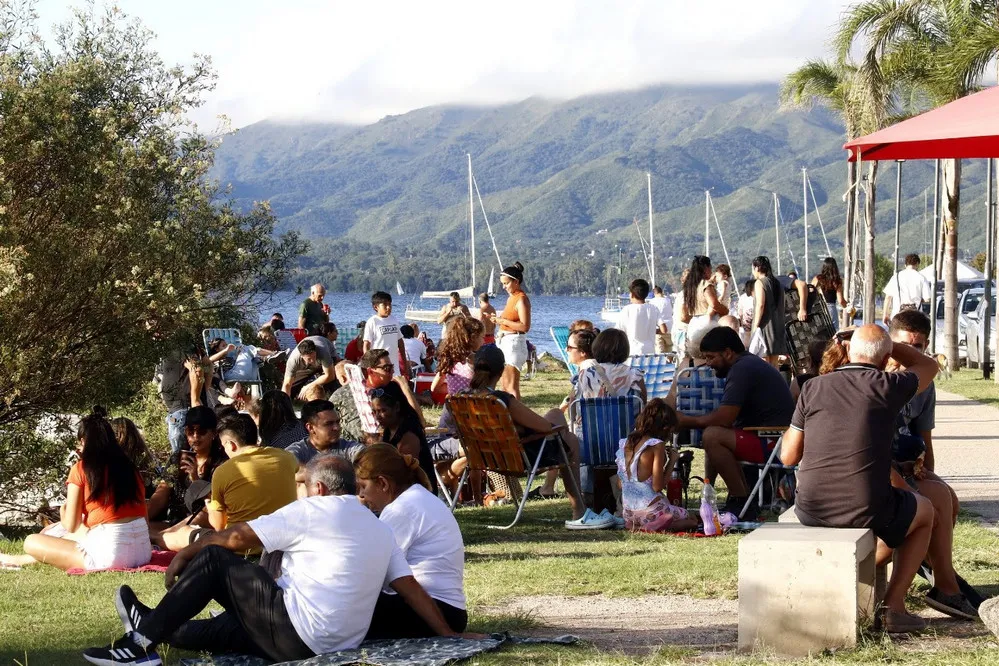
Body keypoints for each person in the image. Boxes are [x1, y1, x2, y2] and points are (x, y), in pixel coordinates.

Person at [83, 455, 464, 665]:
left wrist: (187, 550)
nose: (297, 491)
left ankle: (138, 646)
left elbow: (234, 537)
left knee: (215, 559)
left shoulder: (314, 510)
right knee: (225, 632)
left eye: (300, 484)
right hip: (328, 643)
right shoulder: (378, 526)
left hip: (299, 635)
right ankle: (152, 624)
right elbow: (408, 587)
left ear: (317, 488)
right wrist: (446, 634)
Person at [779, 325, 942, 632]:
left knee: (889, 523)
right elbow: (929, 365)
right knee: (924, 512)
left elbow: (788, 457)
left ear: (849, 352)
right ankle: (893, 607)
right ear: (884, 360)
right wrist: (890, 345)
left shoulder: (812, 387)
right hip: (865, 506)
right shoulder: (888, 385)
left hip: (811, 507)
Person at [886, 311, 977, 618]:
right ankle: (947, 586)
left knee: (947, 497)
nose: (913, 354)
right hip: (879, 469)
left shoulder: (923, 384)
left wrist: (930, 473)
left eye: (920, 347)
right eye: (907, 346)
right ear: (891, 344)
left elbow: (923, 438)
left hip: (902, 466)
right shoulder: (877, 377)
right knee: (935, 499)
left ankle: (938, 573)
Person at [0, 407, 151, 572]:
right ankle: (16, 560)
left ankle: (11, 560)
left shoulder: (81, 469)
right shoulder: (130, 468)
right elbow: (143, 518)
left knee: (32, 541)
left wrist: (65, 510)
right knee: (74, 538)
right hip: (143, 552)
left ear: (84, 441)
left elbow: (71, 525)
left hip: (111, 554)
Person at [455, 345, 591, 526]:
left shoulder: (461, 398)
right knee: (569, 439)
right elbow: (544, 427)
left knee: (556, 414)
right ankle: (579, 510)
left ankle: (575, 505)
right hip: (517, 459)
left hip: (484, 457)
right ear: (502, 370)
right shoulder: (500, 400)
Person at [676, 327, 794, 519]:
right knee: (713, 433)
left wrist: (686, 421)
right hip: (771, 439)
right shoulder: (746, 364)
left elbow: (725, 417)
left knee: (712, 436)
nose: (708, 364)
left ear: (728, 353)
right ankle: (734, 498)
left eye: (711, 357)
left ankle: (742, 502)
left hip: (775, 445)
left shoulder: (742, 369)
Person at [355, 444, 468, 639]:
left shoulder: (401, 510)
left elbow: (376, 574)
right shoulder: (418, 497)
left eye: (363, 487)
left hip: (434, 611)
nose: (362, 496)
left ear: (383, 483)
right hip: (449, 611)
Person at [206, 415, 298, 541]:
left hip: (242, 545)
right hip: (285, 540)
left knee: (182, 534)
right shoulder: (287, 457)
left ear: (230, 444)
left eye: (223, 446)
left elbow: (218, 526)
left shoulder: (222, 472)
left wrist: (210, 507)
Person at [152, 407, 228, 551]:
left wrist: (195, 480)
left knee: (201, 515)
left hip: (203, 521)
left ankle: (159, 538)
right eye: (190, 431)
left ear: (213, 433)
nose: (195, 437)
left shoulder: (221, 463)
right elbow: (161, 494)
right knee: (141, 526)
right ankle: (160, 537)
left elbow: (214, 504)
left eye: (201, 431)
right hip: (175, 521)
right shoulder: (178, 458)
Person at [616, 399, 698, 533]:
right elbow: (657, 486)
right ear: (665, 428)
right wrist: (672, 461)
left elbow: (620, 484)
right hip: (651, 511)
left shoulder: (625, 443)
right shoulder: (656, 445)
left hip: (629, 512)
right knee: (690, 518)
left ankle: (638, 526)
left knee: (669, 512)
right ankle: (658, 526)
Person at [369, 387, 438, 495]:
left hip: (419, 493)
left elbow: (405, 473)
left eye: (383, 410)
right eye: (375, 412)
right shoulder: (389, 430)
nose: (378, 416)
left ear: (397, 407)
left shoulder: (409, 434)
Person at [489, 261, 531, 400]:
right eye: (503, 283)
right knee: (505, 386)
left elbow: (525, 326)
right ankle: (508, 415)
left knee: (511, 387)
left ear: (516, 282)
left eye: (506, 283)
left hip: (514, 343)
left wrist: (502, 321)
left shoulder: (521, 299)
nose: (504, 287)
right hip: (505, 341)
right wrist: (497, 320)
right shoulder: (512, 298)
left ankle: (518, 418)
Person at [572, 328, 647, 404]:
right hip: (626, 416)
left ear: (597, 347)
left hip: (592, 415)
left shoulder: (584, 374)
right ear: (624, 349)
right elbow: (643, 405)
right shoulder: (634, 375)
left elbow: (574, 404)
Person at [286, 399, 364, 466]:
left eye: (337, 422)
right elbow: (289, 469)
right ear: (310, 427)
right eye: (329, 424)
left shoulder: (348, 448)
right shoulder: (296, 452)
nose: (337, 428)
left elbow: (367, 457)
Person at [679, 256, 728, 355]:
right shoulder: (705, 284)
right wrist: (725, 311)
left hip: (693, 323)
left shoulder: (689, 286)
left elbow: (684, 312)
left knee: (696, 356)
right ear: (706, 268)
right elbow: (714, 304)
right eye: (710, 268)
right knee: (712, 355)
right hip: (708, 323)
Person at [750, 255, 788, 366]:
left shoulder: (760, 283)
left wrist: (755, 326)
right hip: (778, 326)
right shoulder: (777, 283)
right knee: (774, 363)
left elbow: (760, 305)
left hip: (765, 327)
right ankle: (776, 383)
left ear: (757, 268)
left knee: (764, 361)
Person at [615, 278, 668, 356]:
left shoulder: (627, 310)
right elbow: (664, 330)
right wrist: (654, 331)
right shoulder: (654, 309)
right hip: (649, 354)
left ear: (632, 294)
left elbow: (618, 333)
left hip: (631, 354)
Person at [281, 332, 338, 400]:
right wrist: (285, 402)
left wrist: (308, 386)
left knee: (329, 384)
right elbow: (287, 384)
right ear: (302, 356)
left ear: (315, 351)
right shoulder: (293, 360)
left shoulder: (323, 352)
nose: (312, 360)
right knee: (292, 388)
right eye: (309, 359)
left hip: (327, 356)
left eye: (313, 356)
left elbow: (330, 376)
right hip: (307, 368)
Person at [363, 291, 407, 373]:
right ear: (376, 307)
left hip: (394, 366)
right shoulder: (372, 321)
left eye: (390, 304)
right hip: (379, 367)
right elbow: (366, 345)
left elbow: (400, 342)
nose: (388, 307)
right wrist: (368, 365)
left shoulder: (394, 319)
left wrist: (405, 364)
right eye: (385, 305)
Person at [883, 253, 932, 324]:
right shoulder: (922, 278)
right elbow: (927, 299)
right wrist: (918, 300)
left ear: (905, 265)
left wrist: (885, 314)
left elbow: (888, 297)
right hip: (915, 317)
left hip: (897, 315)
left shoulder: (896, 277)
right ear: (917, 264)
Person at [812, 257, 848, 327]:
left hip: (818, 308)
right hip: (831, 309)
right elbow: (841, 301)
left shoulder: (817, 278)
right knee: (833, 333)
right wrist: (848, 307)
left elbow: (810, 291)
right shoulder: (837, 281)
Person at [649, 286, 674, 353]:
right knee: (669, 349)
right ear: (661, 292)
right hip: (669, 328)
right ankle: (670, 361)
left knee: (659, 351)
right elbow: (672, 312)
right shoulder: (668, 300)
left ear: (654, 293)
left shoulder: (652, 302)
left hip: (658, 329)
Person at [736, 279, 755, 345]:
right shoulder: (757, 296)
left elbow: (740, 313)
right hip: (754, 318)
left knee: (747, 337)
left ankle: (748, 350)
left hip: (746, 321)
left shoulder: (742, 297)